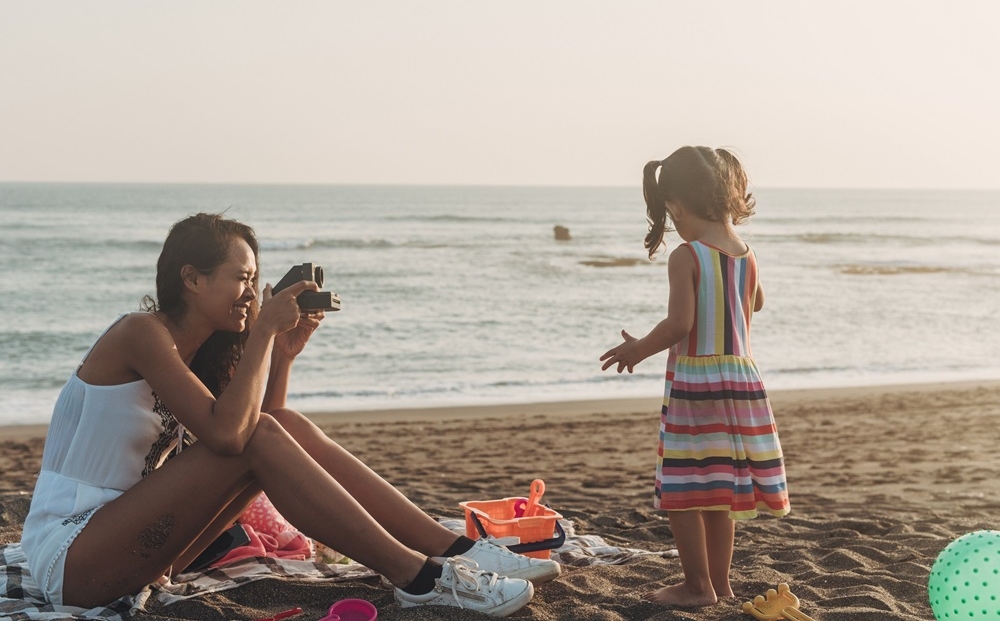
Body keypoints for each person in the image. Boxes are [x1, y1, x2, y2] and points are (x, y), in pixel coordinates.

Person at [21, 212, 560, 617]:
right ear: (191, 278)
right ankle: (421, 579)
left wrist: (282, 353)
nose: (251, 293)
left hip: (139, 549)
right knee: (255, 434)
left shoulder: (196, 357)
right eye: (241, 279)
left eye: (255, 281)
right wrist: (261, 332)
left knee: (289, 426)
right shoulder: (140, 333)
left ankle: (461, 551)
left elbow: (269, 437)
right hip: (72, 556)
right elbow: (233, 439)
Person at [599, 147, 789, 607]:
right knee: (719, 488)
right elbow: (757, 302)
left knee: (683, 488)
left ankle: (697, 585)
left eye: (670, 213)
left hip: (698, 384)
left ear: (679, 205)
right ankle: (719, 584)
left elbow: (680, 324)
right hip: (741, 384)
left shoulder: (687, 256)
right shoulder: (747, 254)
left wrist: (638, 349)